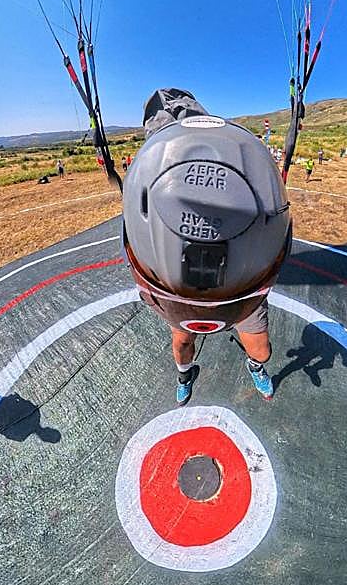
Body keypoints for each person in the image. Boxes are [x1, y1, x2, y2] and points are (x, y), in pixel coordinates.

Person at [123, 89, 292, 406]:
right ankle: (184, 374)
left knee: (261, 350)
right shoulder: (245, 163)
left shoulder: (153, 180)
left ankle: (254, 365)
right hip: (186, 293)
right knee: (182, 341)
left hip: (238, 285)